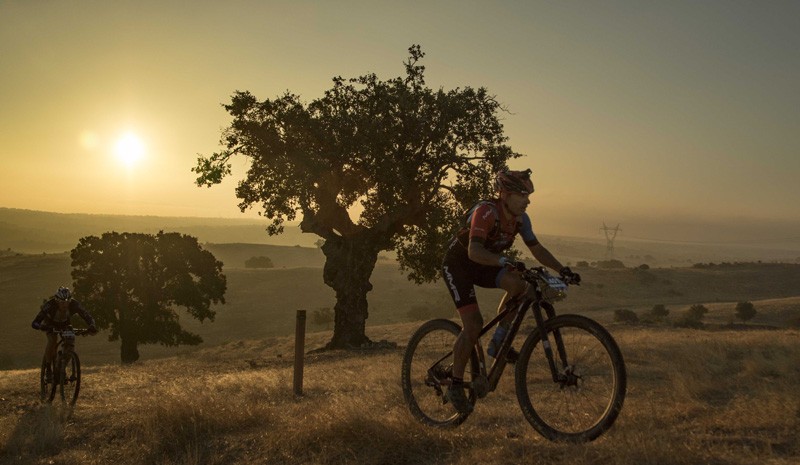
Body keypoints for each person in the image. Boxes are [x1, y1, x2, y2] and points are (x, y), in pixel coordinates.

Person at [440, 168, 580, 414]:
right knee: (473, 325)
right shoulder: (487, 212)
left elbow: (537, 248)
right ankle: (455, 383)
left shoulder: (521, 219)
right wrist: (504, 261)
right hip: (460, 264)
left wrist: (563, 269)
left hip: (486, 264)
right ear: (504, 194)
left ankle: (497, 343)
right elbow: (474, 252)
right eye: (522, 195)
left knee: (521, 286)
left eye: (528, 195)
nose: (528, 200)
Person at [31, 286, 97, 382]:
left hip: (65, 324)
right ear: (57, 301)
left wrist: (92, 325)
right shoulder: (50, 305)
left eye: (67, 302)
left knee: (70, 345)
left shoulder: (74, 304)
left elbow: (86, 315)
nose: (64, 305)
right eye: (62, 302)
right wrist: (42, 327)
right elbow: (35, 322)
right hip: (50, 324)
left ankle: (61, 369)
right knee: (52, 341)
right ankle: (48, 368)